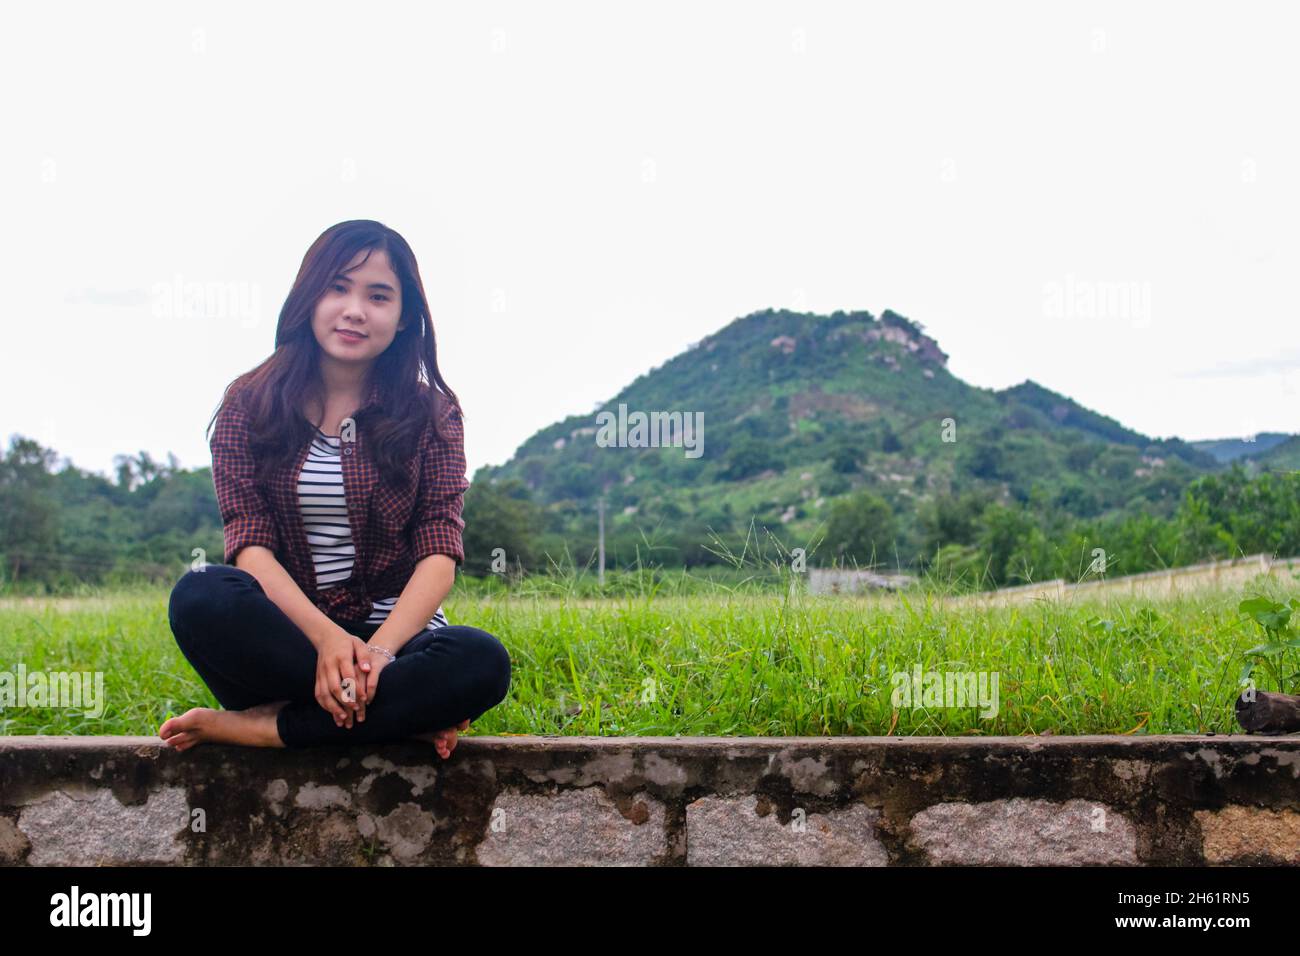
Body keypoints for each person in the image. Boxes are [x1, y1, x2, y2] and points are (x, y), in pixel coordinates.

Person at [158, 220, 510, 757]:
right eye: (338, 287)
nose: (355, 309)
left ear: (403, 317)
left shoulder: (432, 414)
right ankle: (398, 717)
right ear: (308, 296)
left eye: (378, 296)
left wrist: (380, 656)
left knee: (480, 660)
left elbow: (439, 552)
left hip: (399, 638)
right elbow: (250, 546)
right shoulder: (248, 405)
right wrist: (326, 639)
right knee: (200, 593)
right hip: (294, 636)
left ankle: (266, 728)